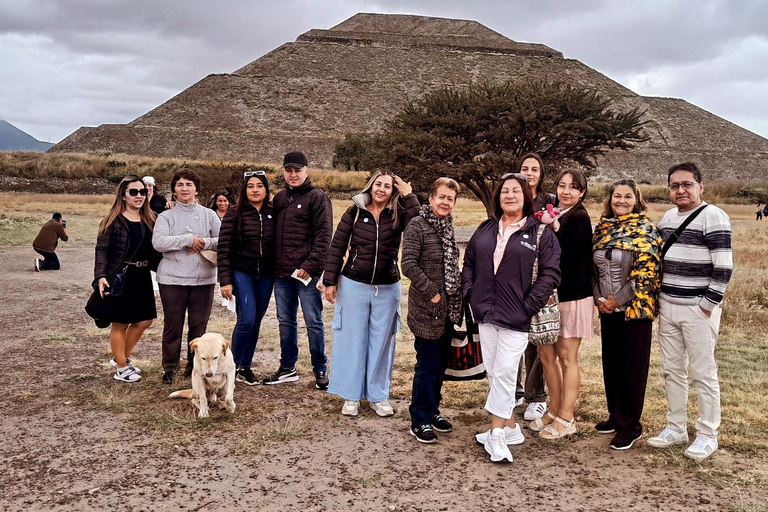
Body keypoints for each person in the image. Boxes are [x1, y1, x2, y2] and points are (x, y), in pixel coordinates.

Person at [462, 173, 561, 461]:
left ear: (526, 197)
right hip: (486, 311)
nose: (510, 195)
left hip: (517, 315)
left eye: (516, 191)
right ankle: (510, 427)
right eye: (505, 191)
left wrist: (528, 304)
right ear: (498, 196)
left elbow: (551, 273)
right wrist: (471, 292)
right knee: (495, 371)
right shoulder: (486, 228)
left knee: (505, 370)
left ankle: (495, 434)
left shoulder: (540, 233)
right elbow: (469, 262)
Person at [647, 162, 733, 462]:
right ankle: (676, 427)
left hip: (698, 309)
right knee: (672, 370)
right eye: (674, 186)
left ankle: (708, 434)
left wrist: (707, 306)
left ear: (700, 186)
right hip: (668, 306)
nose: (680, 190)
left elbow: (724, 267)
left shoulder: (713, 216)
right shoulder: (669, 217)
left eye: (686, 184)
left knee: (703, 373)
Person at [323, 171, 419, 417]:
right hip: (354, 284)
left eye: (388, 186)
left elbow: (420, 224)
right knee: (352, 340)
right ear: (370, 186)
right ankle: (351, 396)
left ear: (393, 191)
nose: (382, 189)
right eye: (378, 184)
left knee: (382, 342)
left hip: (388, 287)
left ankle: (378, 396)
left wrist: (408, 196)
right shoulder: (354, 211)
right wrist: (330, 280)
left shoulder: (399, 213)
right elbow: (337, 246)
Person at [592, 180, 662, 450]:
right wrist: (600, 298)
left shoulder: (646, 230)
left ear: (637, 200)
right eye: (616, 196)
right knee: (612, 365)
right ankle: (615, 416)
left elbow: (646, 275)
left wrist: (616, 300)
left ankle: (631, 426)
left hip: (635, 311)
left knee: (632, 367)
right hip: (607, 310)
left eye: (627, 196)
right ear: (610, 199)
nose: (621, 201)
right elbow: (593, 269)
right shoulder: (602, 229)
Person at [263, 151, 333, 388]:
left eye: (297, 170)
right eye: (288, 170)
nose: (293, 175)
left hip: (306, 275)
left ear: (307, 171)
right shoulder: (280, 198)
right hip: (282, 274)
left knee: (313, 321)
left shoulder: (318, 198)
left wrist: (310, 266)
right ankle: (287, 366)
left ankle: (320, 368)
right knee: (285, 321)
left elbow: (324, 236)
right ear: (283, 172)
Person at [402, 177, 464, 444]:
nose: (445, 202)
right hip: (427, 309)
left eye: (450, 199)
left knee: (440, 365)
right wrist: (433, 292)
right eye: (441, 197)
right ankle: (420, 418)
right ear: (431, 198)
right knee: (426, 365)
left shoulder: (447, 227)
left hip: (447, 310)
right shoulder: (417, 225)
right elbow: (408, 264)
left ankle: (433, 409)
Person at [534, 169, 593, 439]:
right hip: (552, 296)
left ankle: (567, 417)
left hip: (571, 296)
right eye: (561, 185)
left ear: (582, 192)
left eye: (573, 187)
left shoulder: (578, 218)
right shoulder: (558, 214)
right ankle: (553, 410)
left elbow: (564, 258)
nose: (565, 191)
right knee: (549, 356)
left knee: (568, 357)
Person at [152, 169, 221, 383]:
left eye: (189, 184)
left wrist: (203, 243)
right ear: (174, 189)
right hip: (172, 279)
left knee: (198, 326)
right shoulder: (166, 216)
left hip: (203, 280)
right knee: (173, 325)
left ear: (197, 189)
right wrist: (187, 239)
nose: (184, 188)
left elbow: (223, 239)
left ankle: (195, 365)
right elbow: (159, 242)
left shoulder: (210, 215)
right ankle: (170, 367)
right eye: (180, 184)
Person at [94, 175, 161, 382]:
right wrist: (100, 276)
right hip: (120, 276)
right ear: (123, 195)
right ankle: (121, 368)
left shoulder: (152, 218)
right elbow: (102, 250)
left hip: (142, 276)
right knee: (120, 323)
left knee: (145, 320)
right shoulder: (112, 220)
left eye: (143, 192)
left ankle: (121, 357)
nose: (139, 196)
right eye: (134, 192)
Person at [217, 171, 275, 386]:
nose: (255, 190)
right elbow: (223, 249)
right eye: (250, 186)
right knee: (246, 319)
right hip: (242, 273)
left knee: (257, 322)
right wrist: (225, 280)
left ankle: (245, 366)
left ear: (266, 189)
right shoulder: (234, 213)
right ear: (244, 189)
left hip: (266, 275)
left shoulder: (273, 212)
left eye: (259, 186)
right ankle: (230, 366)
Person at [516, 153, 557, 422]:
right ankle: (514, 390)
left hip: (539, 276)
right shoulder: (511, 197)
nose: (529, 173)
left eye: (534, 169)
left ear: (541, 174)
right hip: (513, 275)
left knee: (537, 339)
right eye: (524, 168)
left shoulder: (550, 201)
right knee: (512, 337)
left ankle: (536, 395)